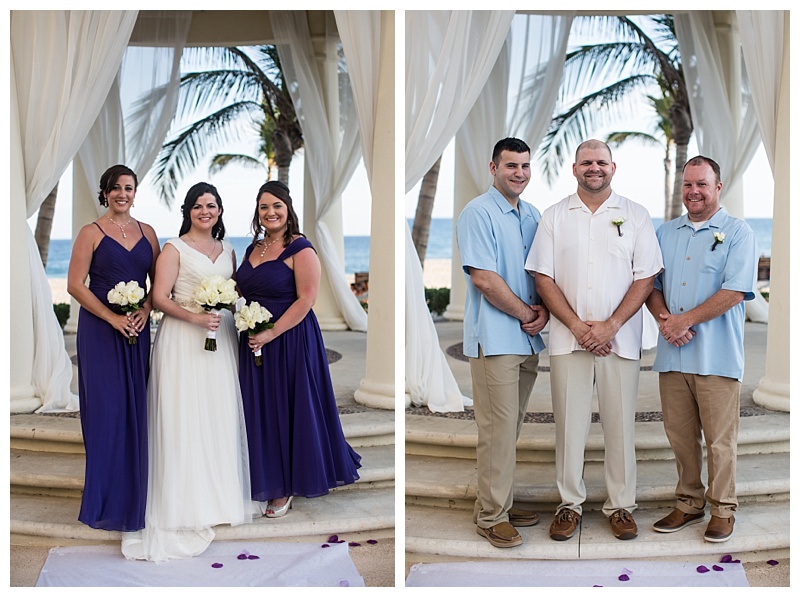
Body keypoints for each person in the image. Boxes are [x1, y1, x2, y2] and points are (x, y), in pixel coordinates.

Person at [526, 140, 663, 542]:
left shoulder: (635, 215)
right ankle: (569, 505)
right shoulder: (554, 216)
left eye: (601, 161)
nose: (594, 168)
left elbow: (646, 277)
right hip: (569, 342)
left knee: (620, 427)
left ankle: (621, 506)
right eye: (586, 162)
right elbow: (542, 277)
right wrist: (579, 328)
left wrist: (611, 326)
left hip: (620, 342)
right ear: (574, 169)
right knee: (569, 427)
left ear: (613, 167)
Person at [121, 182, 252, 561]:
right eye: (198, 206)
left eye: (211, 205)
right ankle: (183, 502)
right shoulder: (173, 249)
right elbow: (159, 298)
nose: (205, 211)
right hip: (182, 339)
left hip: (220, 338)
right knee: (183, 416)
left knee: (216, 414)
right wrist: (196, 317)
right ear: (188, 211)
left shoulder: (228, 250)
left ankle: (217, 497)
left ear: (220, 210)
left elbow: (235, 293)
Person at [646, 156, 758, 543]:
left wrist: (685, 320)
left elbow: (734, 291)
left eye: (702, 184)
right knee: (679, 436)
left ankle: (723, 508)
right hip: (673, 354)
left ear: (718, 187)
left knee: (719, 439)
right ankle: (689, 502)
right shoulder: (664, 233)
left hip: (717, 356)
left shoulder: (738, 232)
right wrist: (665, 320)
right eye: (688, 184)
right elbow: (652, 286)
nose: (694, 191)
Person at [236, 180, 361, 518]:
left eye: (277, 206)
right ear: (257, 213)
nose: (270, 212)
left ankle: (287, 485)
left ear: (288, 209)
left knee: (289, 407)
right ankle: (265, 474)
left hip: (289, 339)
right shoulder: (253, 249)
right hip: (253, 340)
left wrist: (271, 332)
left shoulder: (301, 248)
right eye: (264, 207)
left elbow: (307, 299)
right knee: (260, 410)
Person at [454, 137, 549, 549]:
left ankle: (499, 503)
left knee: (508, 429)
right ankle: (492, 517)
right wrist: (528, 314)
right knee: (496, 430)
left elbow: (540, 275)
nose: (520, 173)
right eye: (511, 166)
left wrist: (543, 309)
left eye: (525, 166)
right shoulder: (478, 212)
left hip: (526, 340)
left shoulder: (532, 215)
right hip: (495, 340)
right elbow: (484, 279)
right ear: (493, 168)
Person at [68, 164, 160, 532]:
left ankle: (134, 498)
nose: (123, 193)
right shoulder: (90, 232)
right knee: (106, 412)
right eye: (116, 188)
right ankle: (104, 501)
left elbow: (159, 284)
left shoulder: (148, 233)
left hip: (136, 331)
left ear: (135, 193)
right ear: (104, 192)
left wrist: (145, 309)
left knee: (134, 410)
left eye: (129, 187)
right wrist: (112, 317)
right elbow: (76, 285)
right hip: (101, 332)